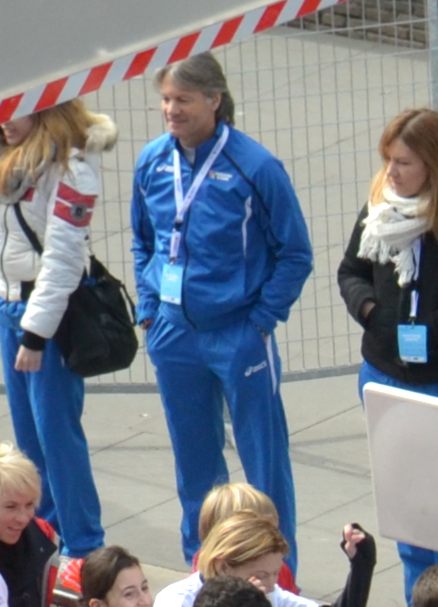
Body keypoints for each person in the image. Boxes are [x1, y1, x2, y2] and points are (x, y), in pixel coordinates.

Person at [132, 54, 317, 548]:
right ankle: (203, 565)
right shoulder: (151, 161)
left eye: (183, 100)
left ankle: (280, 574)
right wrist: (148, 309)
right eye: (166, 99)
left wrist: (260, 320)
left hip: (238, 333)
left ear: (214, 100)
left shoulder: (255, 166)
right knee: (194, 462)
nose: (171, 109)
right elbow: (143, 241)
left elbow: (295, 253)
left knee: (264, 464)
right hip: (173, 333)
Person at [0, 104, 120, 567]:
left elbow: (64, 261)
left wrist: (36, 336)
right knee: (29, 440)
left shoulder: (72, 171)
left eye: (15, 111)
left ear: (47, 111)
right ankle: (43, 532)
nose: (3, 120)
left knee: (57, 436)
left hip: (46, 317)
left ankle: (84, 546)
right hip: (7, 304)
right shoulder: (10, 153)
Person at [339, 110, 438, 592]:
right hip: (385, 375)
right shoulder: (382, 206)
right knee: (409, 517)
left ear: (434, 166)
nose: (391, 173)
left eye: (403, 162)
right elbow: (351, 272)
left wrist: (435, 327)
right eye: (388, 161)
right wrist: (373, 312)